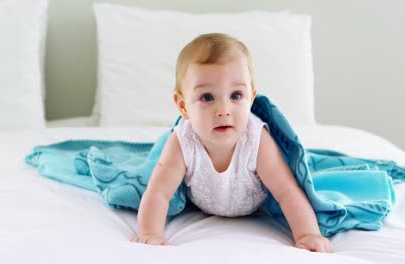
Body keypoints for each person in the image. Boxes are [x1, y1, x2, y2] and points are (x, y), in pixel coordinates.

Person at [130, 33, 333, 253]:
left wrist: (308, 234)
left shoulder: (256, 140)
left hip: (256, 206)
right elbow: (159, 191)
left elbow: (286, 191)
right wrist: (150, 233)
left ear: (251, 98)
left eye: (236, 95)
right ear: (183, 105)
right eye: (207, 97)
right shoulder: (182, 141)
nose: (224, 110)